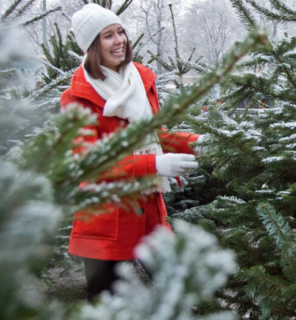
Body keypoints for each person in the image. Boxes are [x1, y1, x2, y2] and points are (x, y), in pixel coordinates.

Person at [61, 4, 202, 301]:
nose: (120, 40)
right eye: (108, 35)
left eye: (121, 32)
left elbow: (157, 133)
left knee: (176, 294)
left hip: (149, 210)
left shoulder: (140, 79)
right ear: (92, 46)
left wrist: (197, 141)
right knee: (105, 304)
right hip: (105, 218)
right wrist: (154, 164)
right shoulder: (76, 97)